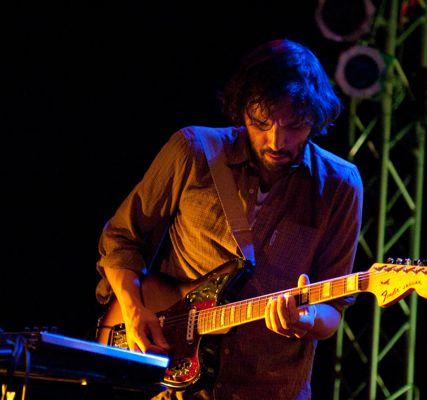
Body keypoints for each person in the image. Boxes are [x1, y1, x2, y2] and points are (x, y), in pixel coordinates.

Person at [95, 39, 363, 399]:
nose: (276, 141)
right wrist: (133, 309)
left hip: (270, 388)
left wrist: (306, 319)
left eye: (294, 126)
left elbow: (333, 310)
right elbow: (121, 238)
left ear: (315, 118)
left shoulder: (340, 185)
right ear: (242, 109)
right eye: (260, 123)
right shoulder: (194, 150)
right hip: (174, 387)